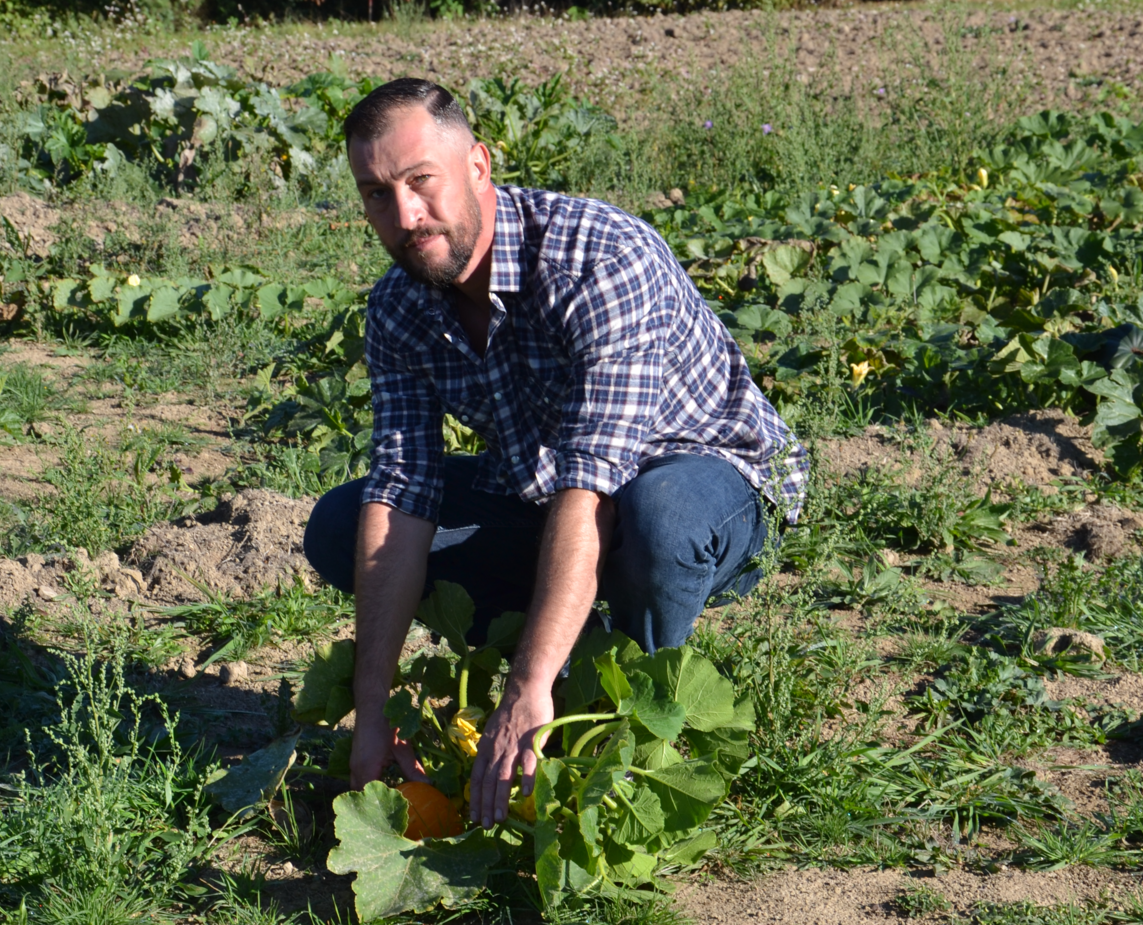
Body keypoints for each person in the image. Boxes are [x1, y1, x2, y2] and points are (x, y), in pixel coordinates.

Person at [302, 78, 808, 833]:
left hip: (700, 473)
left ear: (478, 164)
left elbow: (593, 484)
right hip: (546, 493)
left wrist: (526, 686)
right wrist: (369, 712)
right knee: (345, 525)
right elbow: (403, 493)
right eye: (377, 194)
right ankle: (547, 658)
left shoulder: (600, 260)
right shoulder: (401, 308)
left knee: (657, 517)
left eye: (420, 182)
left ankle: (619, 714)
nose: (404, 216)